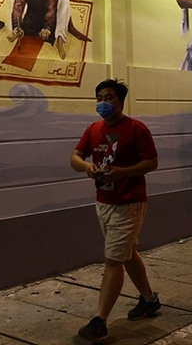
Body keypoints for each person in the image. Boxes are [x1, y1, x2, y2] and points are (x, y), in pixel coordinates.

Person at [70, 79, 161, 343]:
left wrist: (124, 173)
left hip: (129, 203)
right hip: (104, 202)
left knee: (113, 260)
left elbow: (152, 162)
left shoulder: (136, 129)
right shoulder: (93, 129)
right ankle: (149, 299)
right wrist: (87, 168)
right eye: (99, 97)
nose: (103, 102)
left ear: (120, 100)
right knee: (127, 252)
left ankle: (100, 321)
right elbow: (74, 157)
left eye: (108, 97)